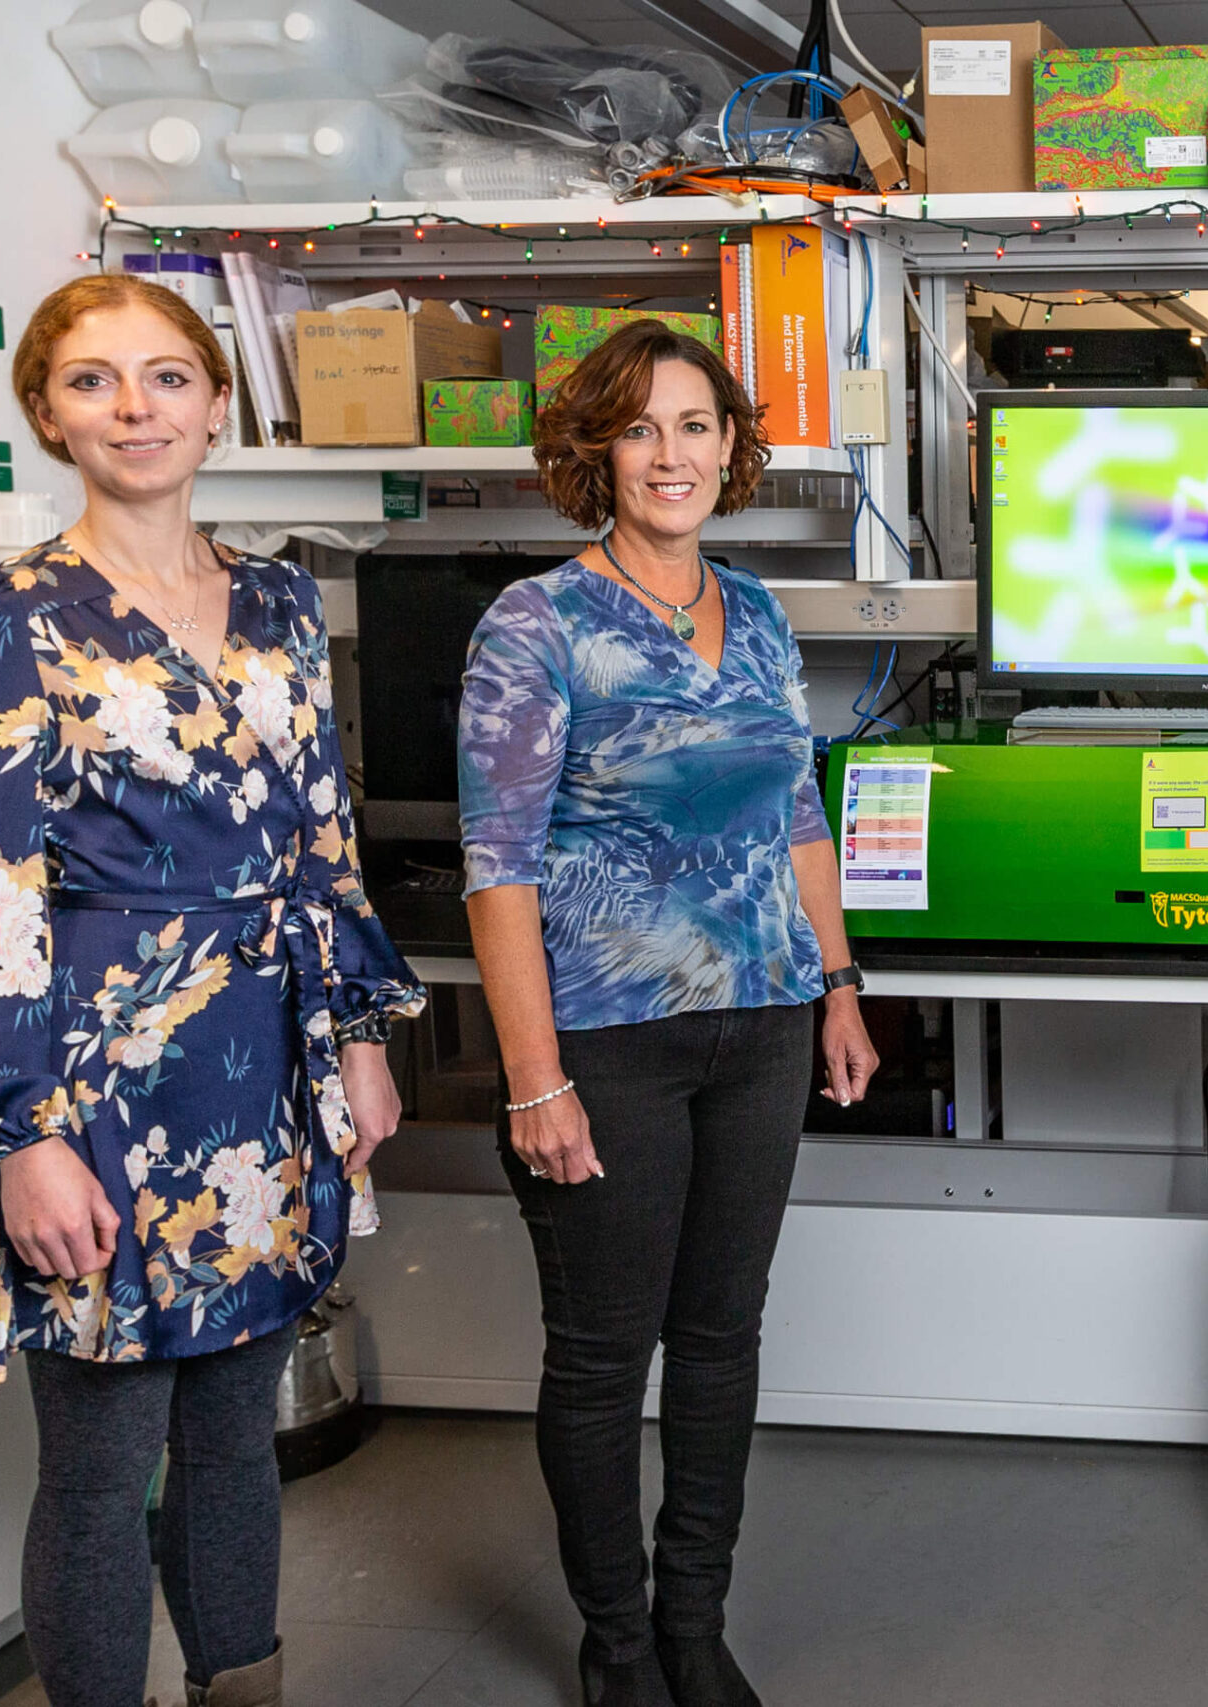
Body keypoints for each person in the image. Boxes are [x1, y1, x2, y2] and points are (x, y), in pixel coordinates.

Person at [0, 274, 423, 1707]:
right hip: (95, 1086)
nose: (135, 409)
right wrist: (23, 1135)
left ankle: (239, 1691)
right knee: (102, 1463)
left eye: (167, 377)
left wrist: (358, 1037)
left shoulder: (279, 598)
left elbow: (322, 834)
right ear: (47, 413)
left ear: (215, 402)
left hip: (263, 1071)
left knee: (239, 1436)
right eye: (93, 381)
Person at [458, 318, 880, 1707]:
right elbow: (499, 865)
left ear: (730, 446)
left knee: (718, 1340)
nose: (670, 454)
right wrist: (533, 1078)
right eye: (639, 427)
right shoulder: (538, 625)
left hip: (763, 1023)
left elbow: (797, 813)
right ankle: (620, 1644)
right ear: (597, 451)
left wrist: (837, 985)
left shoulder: (755, 612)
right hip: (607, 1039)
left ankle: (695, 1623)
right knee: (601, 1357)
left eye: (695, 424)